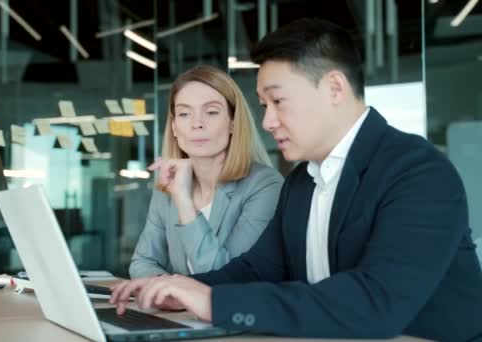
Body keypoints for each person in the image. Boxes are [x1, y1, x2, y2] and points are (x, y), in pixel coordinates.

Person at [110, 19, 482, 341]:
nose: (268, 121)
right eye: (263, 105)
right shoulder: (302, 181)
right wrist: (179, 289)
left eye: (278, 101)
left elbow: (376, 301)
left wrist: (212, 301)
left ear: (335, 88)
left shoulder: (417, 171)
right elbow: (256, 270)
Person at [129, 65, 283, 278]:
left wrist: (183, 200)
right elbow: (142, 263)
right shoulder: (168, 186)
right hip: (182, 312)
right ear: (174, 126)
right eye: (184, 114)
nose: (197, 124)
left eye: (211, 112)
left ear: (232, 122)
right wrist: (173, 293)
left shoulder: (265, 185)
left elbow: (226, 277)